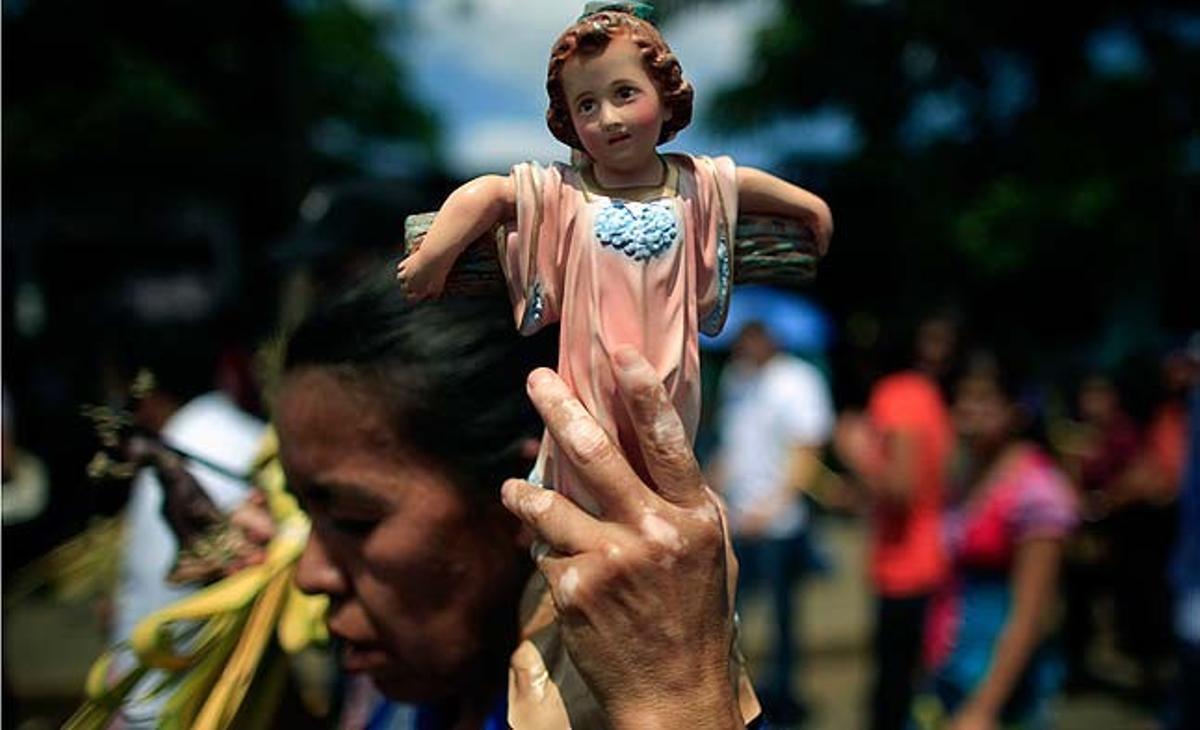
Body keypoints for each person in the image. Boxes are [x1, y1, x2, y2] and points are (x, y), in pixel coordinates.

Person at [396, 5, 832, 514]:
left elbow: (743, 182)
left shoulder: (691, 183)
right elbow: (489, 194)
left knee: (663, 484)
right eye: (587, 105)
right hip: (592, 379)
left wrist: (808, 206)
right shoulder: (566, 190)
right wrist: (435, 255)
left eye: (625, 93)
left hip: (670, 377)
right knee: (590, 488)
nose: (608, 118)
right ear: (570, 121)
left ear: (667, 100)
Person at [277, 275, 759, 729]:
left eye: (353, 520)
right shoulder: (428, 700)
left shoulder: (652, 704)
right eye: (305, 514)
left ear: (527, 496)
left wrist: (683, 702)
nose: (311, 574)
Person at [920, 353, 1078, 729]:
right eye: (962, 398)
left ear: (1016, 409)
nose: (968, 410)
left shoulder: (1037, 492)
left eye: (983, 399)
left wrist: (984, 708)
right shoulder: (967, 472)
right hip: (953, 665)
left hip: (1001, 683)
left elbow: (1031, 613)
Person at [835, 314, 956, 730]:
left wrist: (855, 452)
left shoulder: (897, 395)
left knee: (894, 694)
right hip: (932, 557)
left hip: (905, 566)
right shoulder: (928, 393)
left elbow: (902, 488)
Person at [710, 321, 834, 723]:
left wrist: (773, 507)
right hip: (739, 516)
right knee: (729, 613)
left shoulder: (798, 380)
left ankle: (783, 700)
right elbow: (732, 445)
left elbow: (808, 452)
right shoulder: (737, 378)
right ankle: (733, 695)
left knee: (782, 618)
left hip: (780, 524)